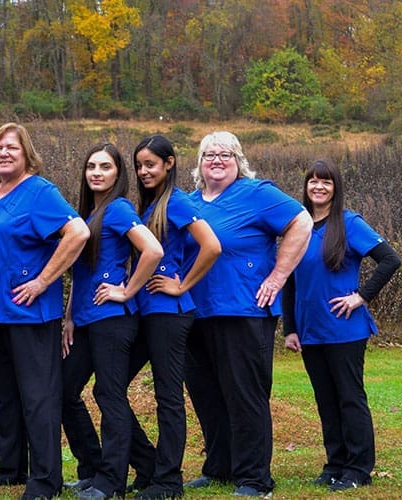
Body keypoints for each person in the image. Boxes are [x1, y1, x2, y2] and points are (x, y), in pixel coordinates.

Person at [182, 131, 313, 497]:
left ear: (239, 161)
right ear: (199, 163)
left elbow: (301, 222)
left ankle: (254, 477)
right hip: (197, 311)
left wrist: (278, 275)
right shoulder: (190, 202)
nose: (217, 160)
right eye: (209, 154)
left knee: (244, 394)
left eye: (226, 154)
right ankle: (220, 466)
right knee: (206, 393)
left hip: (245, 309)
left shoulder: (257, 193)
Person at [0, 122, 90, 499]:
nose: (4, 153)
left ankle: (45, 479)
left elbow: (78, 233)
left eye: (12, 148)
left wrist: (43, 280)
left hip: (28, 313)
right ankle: (11, 468)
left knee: (39, 397)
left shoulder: (39, 192)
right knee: (5, 394)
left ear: (26, 154)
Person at [283, 159, 400, 492]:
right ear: (305, 187)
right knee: (326, 399)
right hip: (310, 330)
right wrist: (290, 328)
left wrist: (361, 297)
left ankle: (358, 468)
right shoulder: (298, 228)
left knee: (349, 397)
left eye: (326, 182)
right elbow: (289, 281)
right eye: (313, 182)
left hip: (344, 328)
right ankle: (335, 463)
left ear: (336, 188)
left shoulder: (349, 224)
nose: (318, 187)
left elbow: (390, 260)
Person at [61, 143, 164, 499]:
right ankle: (98, 466)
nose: (96, 172)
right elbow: (81, 274)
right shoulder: (90, 213)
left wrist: (127, 291)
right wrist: (71, 317)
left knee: (109, 395)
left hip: (113, 319)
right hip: (87, 320)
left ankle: (111, 482)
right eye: (91, 166)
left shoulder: (118, 209)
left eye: (105, 167)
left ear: (118, 174)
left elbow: (152, 250)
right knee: (63, 389)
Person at [126, 134, 221, 499]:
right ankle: (148, 465)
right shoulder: (149, 206)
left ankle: (168, 481)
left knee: (168, 396)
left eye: (150, 164)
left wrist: (182, 286)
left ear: (169, 163)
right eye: (139, 165)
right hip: (144, 313)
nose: (143, 171)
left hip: (170, 314)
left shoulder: (177, 203)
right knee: (111, 388)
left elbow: (212, 246)